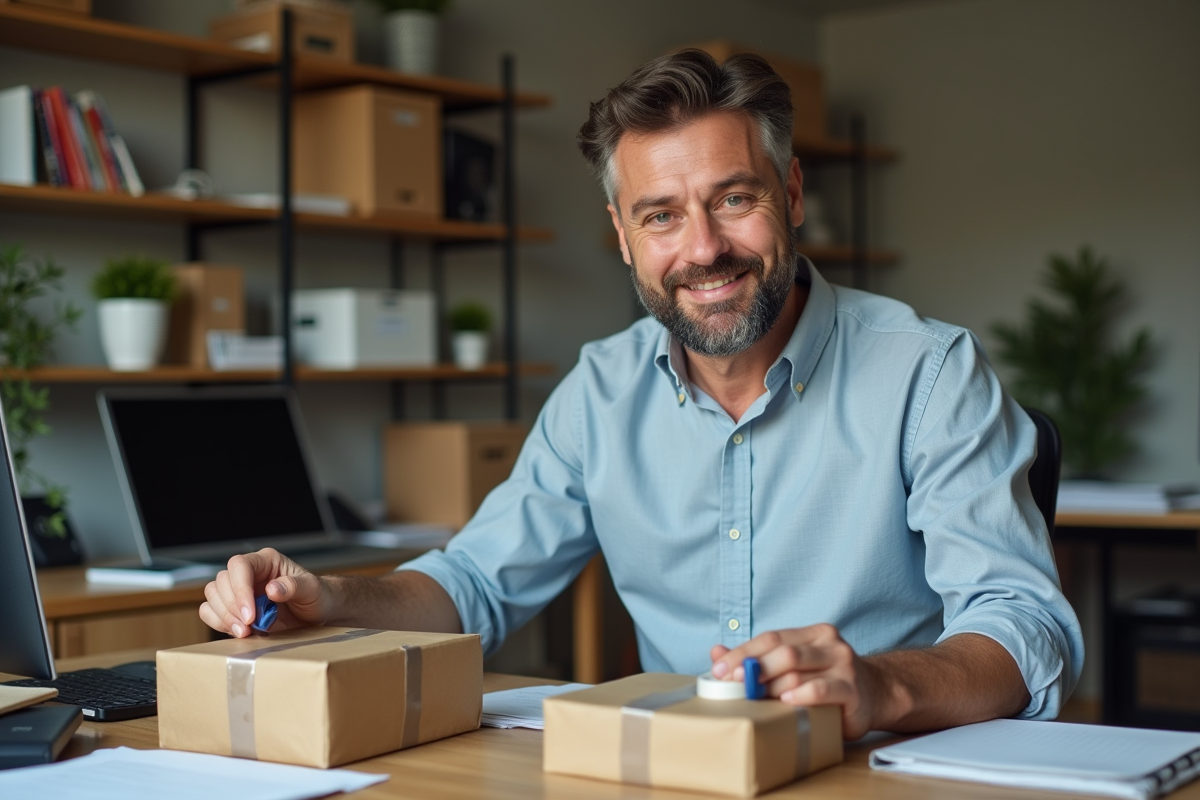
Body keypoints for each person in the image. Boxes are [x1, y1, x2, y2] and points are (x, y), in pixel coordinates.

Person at [201, 50, 1082, 740]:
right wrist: (333, 598)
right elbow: (473, 583)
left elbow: (1024, 626)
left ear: (793, 194)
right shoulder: (600, 390)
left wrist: (882, 685)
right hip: (684, 771)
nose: (702, 248)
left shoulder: (928, 372)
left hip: (883, 768)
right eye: (660, 215)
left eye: (734, 198)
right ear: (623, 238)